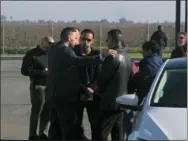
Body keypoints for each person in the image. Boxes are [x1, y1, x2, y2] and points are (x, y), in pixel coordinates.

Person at [48, 27, 116, 140]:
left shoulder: (54, 48)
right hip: (66, 97)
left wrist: (92, 88)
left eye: (87, 40)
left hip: (60, 95)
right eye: (78, 38)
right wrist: (103, 56)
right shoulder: (66, 50)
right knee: (67, 128)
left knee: (59, 127)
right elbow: (78, 61)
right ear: (70, 38)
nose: (80, 41)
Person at [90, 29, 132, 140]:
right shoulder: (127, 57)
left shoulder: (112, 56)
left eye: (107, 39)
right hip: (122, 101)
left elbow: (102, 78)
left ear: (113, 40)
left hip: (109, 102)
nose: (106, 41)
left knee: (100, 133)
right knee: (118, 134)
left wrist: (94, 89)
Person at [21, 36, 55, 140]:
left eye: (53, 44)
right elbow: (24, 71)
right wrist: (41, 72)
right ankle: (33, 135)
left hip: (50, 86)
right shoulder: (32, 54)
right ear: (42, 42)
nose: (51, 45)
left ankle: (43, 134)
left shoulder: (52, 54)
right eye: (49, 43)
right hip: (38, 86)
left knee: (47, 111)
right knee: (37, 111)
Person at [74, 29, 101, 140]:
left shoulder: (97, 55)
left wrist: (92, 89)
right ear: (79, 39)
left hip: (93, 94)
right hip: (77, 93)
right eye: (83, 39)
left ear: (93, 41)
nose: (85, 42)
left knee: (95, 124)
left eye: (88, 40)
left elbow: (100, 75)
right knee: (76, 124)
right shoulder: (73, 54)